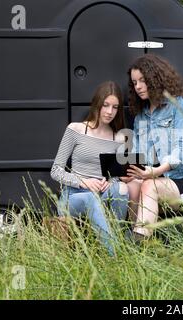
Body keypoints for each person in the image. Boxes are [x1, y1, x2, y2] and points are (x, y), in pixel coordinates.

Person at [121, 54, 183, 241]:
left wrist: (158, 170)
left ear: (155, 78)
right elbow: (138, 155)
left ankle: (136, 245)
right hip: (158, 181)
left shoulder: (178, 105)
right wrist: (128, 172)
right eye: (134, 82)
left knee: (149, 186)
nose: (137, 86)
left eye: (143, 81)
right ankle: (138, 236)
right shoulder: (141, 118)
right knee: (133, 186)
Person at [51, 81, 129, 255]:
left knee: (122, 189)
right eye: (105, 105)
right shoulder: (76, 129)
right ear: (97, 104)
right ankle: (116, 255)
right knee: (89, 198)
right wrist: (83, 182)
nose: (110, 112)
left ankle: (116, 238)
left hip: (102, 193)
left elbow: (116, 174)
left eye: (115, 107)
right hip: (74, 196)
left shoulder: (119, 138)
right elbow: (55, 170)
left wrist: (111, 181)